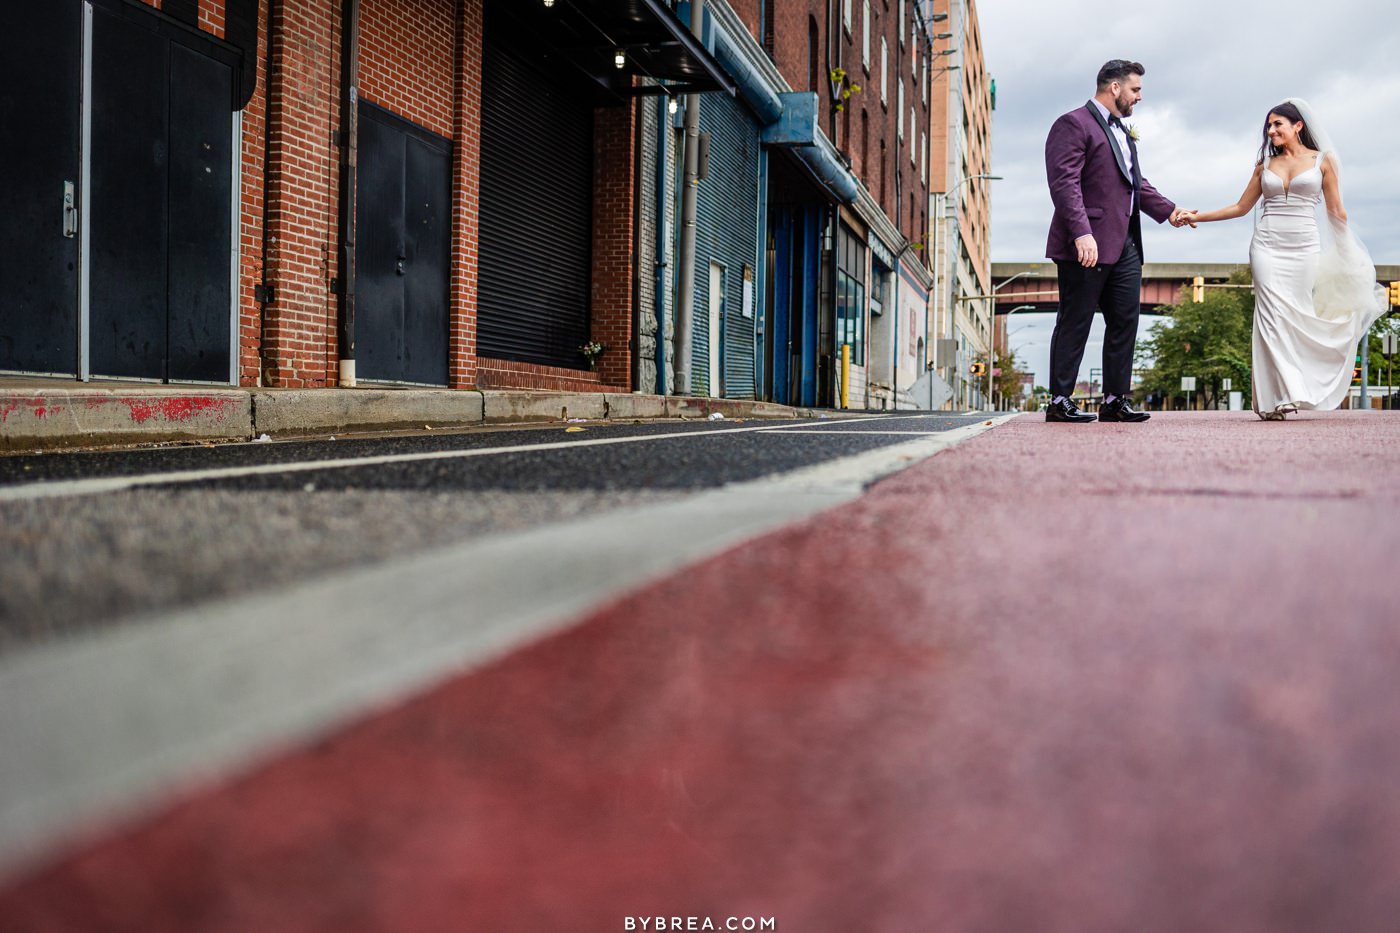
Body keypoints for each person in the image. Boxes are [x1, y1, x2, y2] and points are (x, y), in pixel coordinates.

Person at [1178, 100, 1386, 419]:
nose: (1271, 130)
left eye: (1278, 124)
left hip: (1304, 247)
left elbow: (1336, 211)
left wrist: (1349, 254)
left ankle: (1291, 390)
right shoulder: (1265, 165)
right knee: (1270, 316)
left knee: (1297, 315)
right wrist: (1198, 216)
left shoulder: (1324, 161)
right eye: (1269, 126)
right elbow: (1240, 207)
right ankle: (1278, 397)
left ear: (1298, 126)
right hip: (1266, 245)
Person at [1043, 59, 1192, 424]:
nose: (1139, 97)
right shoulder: (1073, 124)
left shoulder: (1123, 133)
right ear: (1114, 87)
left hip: (1125, 243)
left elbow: (1135, 183)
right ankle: (1060, 400)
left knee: (1125, 319)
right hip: (1087, 242)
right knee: (1075, 320)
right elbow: (1064, 183)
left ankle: (1114, 399)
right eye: (1135, 89)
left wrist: (1170, 211)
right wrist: (1081, 233)